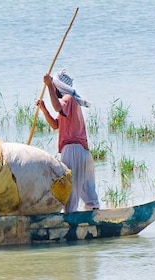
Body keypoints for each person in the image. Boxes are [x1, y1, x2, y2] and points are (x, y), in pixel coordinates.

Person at [36, 70, 101, 212]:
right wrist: (44, 110)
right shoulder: (71, 102)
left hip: (72, 149)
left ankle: (70, 217)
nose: (53, 89)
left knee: (70, 186)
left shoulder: (68, 99)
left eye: (54, 86)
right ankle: (93, 211)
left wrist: (48, 86)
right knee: (86, 186)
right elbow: (55, 125)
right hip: (83, 151)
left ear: (59, 87)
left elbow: (58, 108)